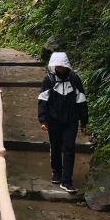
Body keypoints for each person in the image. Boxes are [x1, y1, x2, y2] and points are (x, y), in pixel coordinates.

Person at [38, 52, 88, 194]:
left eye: (61, 65)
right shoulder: (49, 79)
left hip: (71, 120)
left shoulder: (74, 79)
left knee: (69, 148)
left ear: (66, 65)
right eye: (57, 66)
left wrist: (84, 122)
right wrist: (43, 119)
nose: (59, 68)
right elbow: (43, 100)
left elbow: (81, 100)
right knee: (55, 146)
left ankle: (67, 181)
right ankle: (57, 172)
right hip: (54, 120)